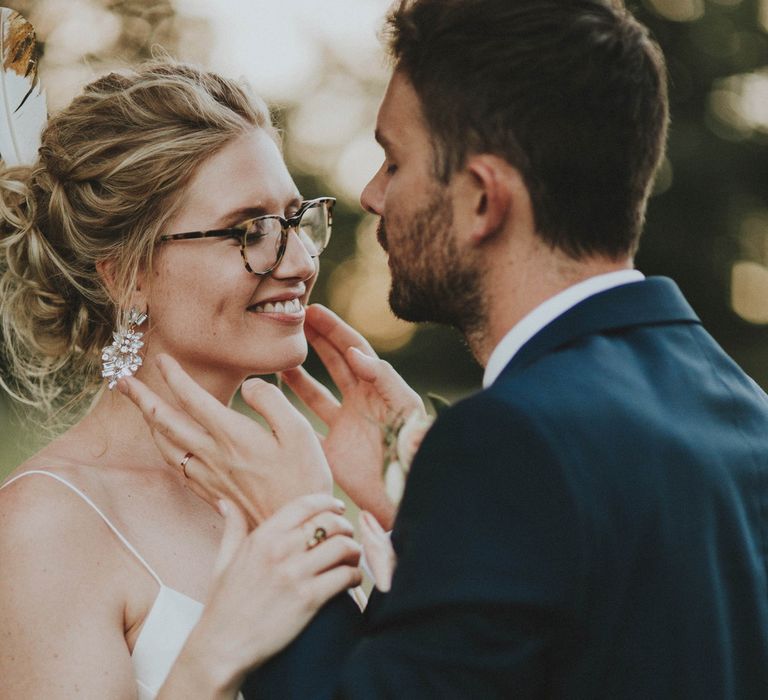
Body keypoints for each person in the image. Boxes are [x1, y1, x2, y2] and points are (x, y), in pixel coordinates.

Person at [122, 0, 768, 697]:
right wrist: (412, 488)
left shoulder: (512, 442)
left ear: (483, 199)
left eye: (395, 161)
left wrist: (294, 523)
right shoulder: (742, 411)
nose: (371, 195)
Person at [0, 61, 365, 699]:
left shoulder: (281, 483)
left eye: (296, 218)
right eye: (250, 230)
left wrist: (397, 499)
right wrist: (214, 654)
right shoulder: (45, 524)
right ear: (126, 276)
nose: (302, 261)